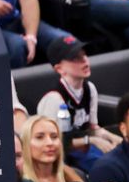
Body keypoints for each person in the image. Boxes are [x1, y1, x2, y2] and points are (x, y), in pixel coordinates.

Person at [35, 36, 120, 172]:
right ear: (60, 69)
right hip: (61, 158)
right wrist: (92, 140)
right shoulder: (54, 100)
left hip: (85, 151)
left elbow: (92, 127)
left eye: (84, 55)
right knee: (108, 167)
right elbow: (54, 144)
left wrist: (114, 138)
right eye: (75, 58)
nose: (84, 61)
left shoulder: (90, 89)